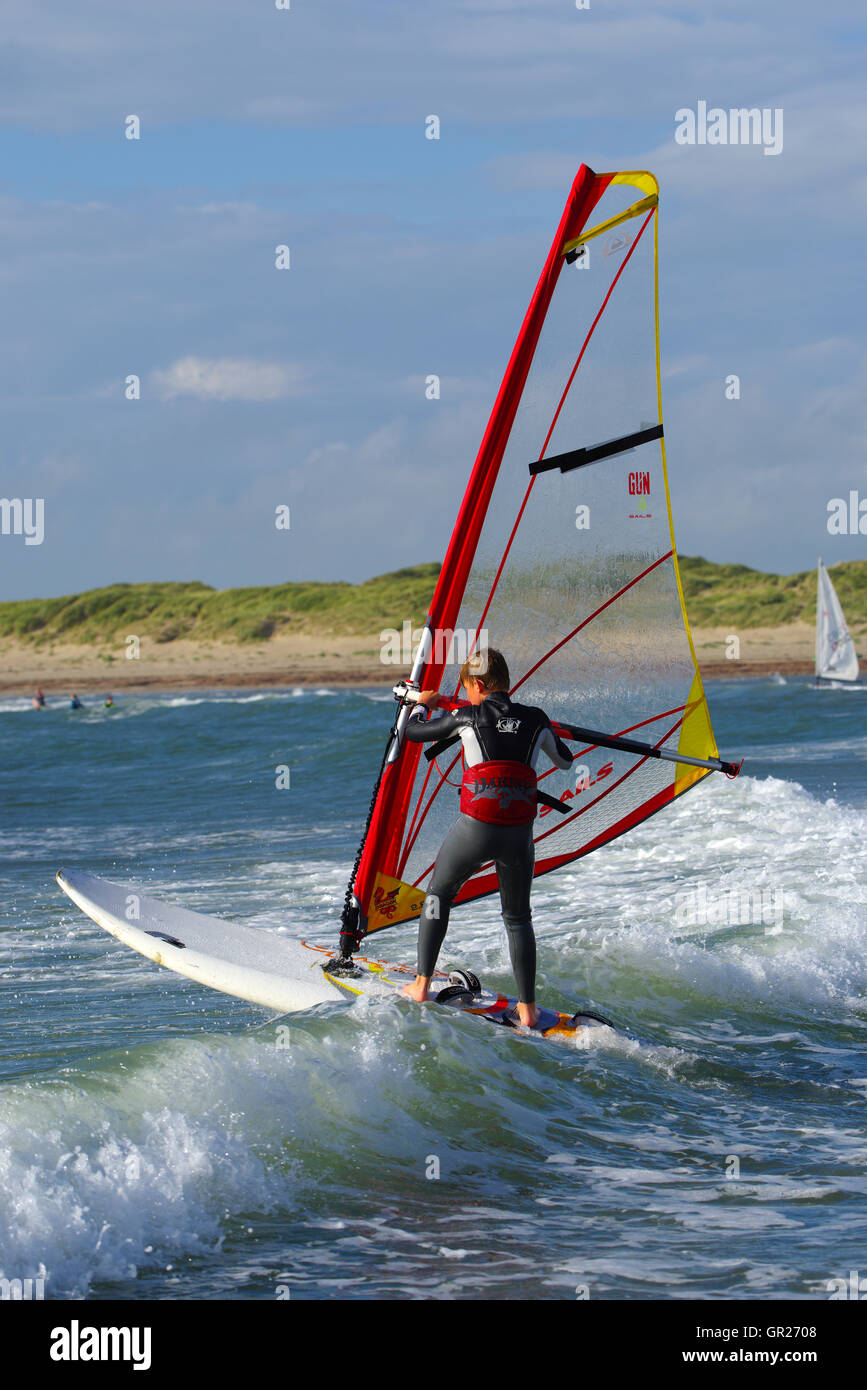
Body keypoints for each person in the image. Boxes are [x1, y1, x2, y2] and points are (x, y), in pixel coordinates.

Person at [400, 648, 573, 1027]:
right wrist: (549, 732)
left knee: (437, 896)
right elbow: (566, 760)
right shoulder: (536, 720)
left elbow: (412, 732)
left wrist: (423, 705)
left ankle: (420, 984)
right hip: (518, 838)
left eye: (467, 688)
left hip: (475, 830)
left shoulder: (466, 716)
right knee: (517, 917)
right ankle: (527, 1010)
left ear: (476, 685)